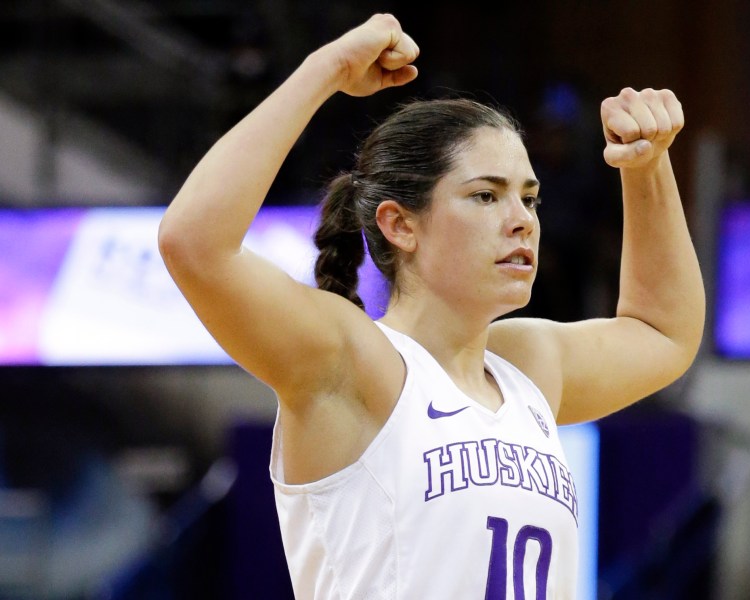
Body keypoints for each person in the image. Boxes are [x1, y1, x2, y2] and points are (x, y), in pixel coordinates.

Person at [158, 13, 704, 600]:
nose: (521, 220)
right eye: (486, 196)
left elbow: (661, 332)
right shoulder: (355, 360)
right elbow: (194, 244)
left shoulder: (527, 368)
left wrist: (647, 167)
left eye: (530, 198)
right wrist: (325, 71)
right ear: (400, 225)